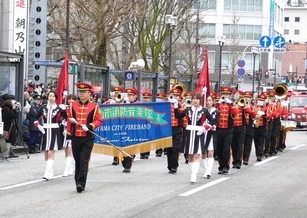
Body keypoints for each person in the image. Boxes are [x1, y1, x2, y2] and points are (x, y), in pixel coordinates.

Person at [67, 82, 103, 193]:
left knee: (84, 160)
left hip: (88, 137)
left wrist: (90, 126)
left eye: (84, 92)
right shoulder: (73, 105)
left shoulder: (94, 106)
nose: (82, 94)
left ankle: (81, 184)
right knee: (77, 160)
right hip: (76, 137)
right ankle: (77, 181)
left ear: (89, 93)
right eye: (80, 92)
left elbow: (99, 120)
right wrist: (68, 133)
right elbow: (69, 120)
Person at [175, 93, 214, 183]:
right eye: (193, 99)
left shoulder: (204, 111)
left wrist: (205, 127)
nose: (195, 101)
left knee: (197, 154)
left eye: (197, 99)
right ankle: (193, 172)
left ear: (200, 100)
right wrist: (176, 106)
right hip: (188, 133)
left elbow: (213, 121)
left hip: (199, 133)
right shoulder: (188, 110)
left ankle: (194, 175)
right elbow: (178, 116)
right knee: (190, 155)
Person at [35, 91, 66, 180]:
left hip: (54, 130)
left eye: (53, 96)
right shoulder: (43, 108)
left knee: (51, 151)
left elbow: (67, 119)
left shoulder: (59, 109)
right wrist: (39, 126)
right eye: (50, 96)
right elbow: (34, 117)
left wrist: (65, 126)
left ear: (56, 98)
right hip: (45, 130)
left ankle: (46, 172)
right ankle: (50, 171)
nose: (51, 97)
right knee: (46, 152)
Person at [216, 86, 239, 174]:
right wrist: (218, 104)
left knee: (226, 147)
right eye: (224, 94)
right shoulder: (218, 104)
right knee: (219, 148)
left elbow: (235, 113)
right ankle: (221, 166)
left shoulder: (231, 104)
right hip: (219, 129)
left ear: (229, 96)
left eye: (227, 94)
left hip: (228, 129)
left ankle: (225, 166)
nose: (225, 96)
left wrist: (231, 104)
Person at [120, 87, 139, 173]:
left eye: (131, 95)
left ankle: (128, 166)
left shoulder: (138, 104)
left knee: (130, 147)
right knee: (123, 147)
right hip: (123, 128)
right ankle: (125, 163)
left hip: (133, 129)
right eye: (128, 95)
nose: (130, 97)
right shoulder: (123, 103)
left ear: (135, 96)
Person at [203, 94, 219, 179]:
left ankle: (209, 171)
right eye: (207, 100)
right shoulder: (203, 111)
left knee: (210, 152)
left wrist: (213, 126)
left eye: (210, 100)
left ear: (213, 102)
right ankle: (205, 170)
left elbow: (217, 122)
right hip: (203, 133)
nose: (208, 102)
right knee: (203, 153)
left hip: (211, 133)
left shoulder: (216, 112)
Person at [62, 94, 77, 177]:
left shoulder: (77, 109)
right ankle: (70, 167)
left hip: (74, 131)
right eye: (69, 99)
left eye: (72, 99)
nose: (70, 101)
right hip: (66, 130)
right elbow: (61, 118)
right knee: (66, 149)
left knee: (70, 149)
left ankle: (66, 169)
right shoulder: (65, 109)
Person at [140, 92, 152, 159]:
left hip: (149, 124)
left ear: (150, 99)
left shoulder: (151, 105)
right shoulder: (141, 105)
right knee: (142, 138)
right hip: (142, 124)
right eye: (145, 98)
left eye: (147, 98)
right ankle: (142, 153)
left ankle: (147, 152)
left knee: (148, 138)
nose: (146, 99)